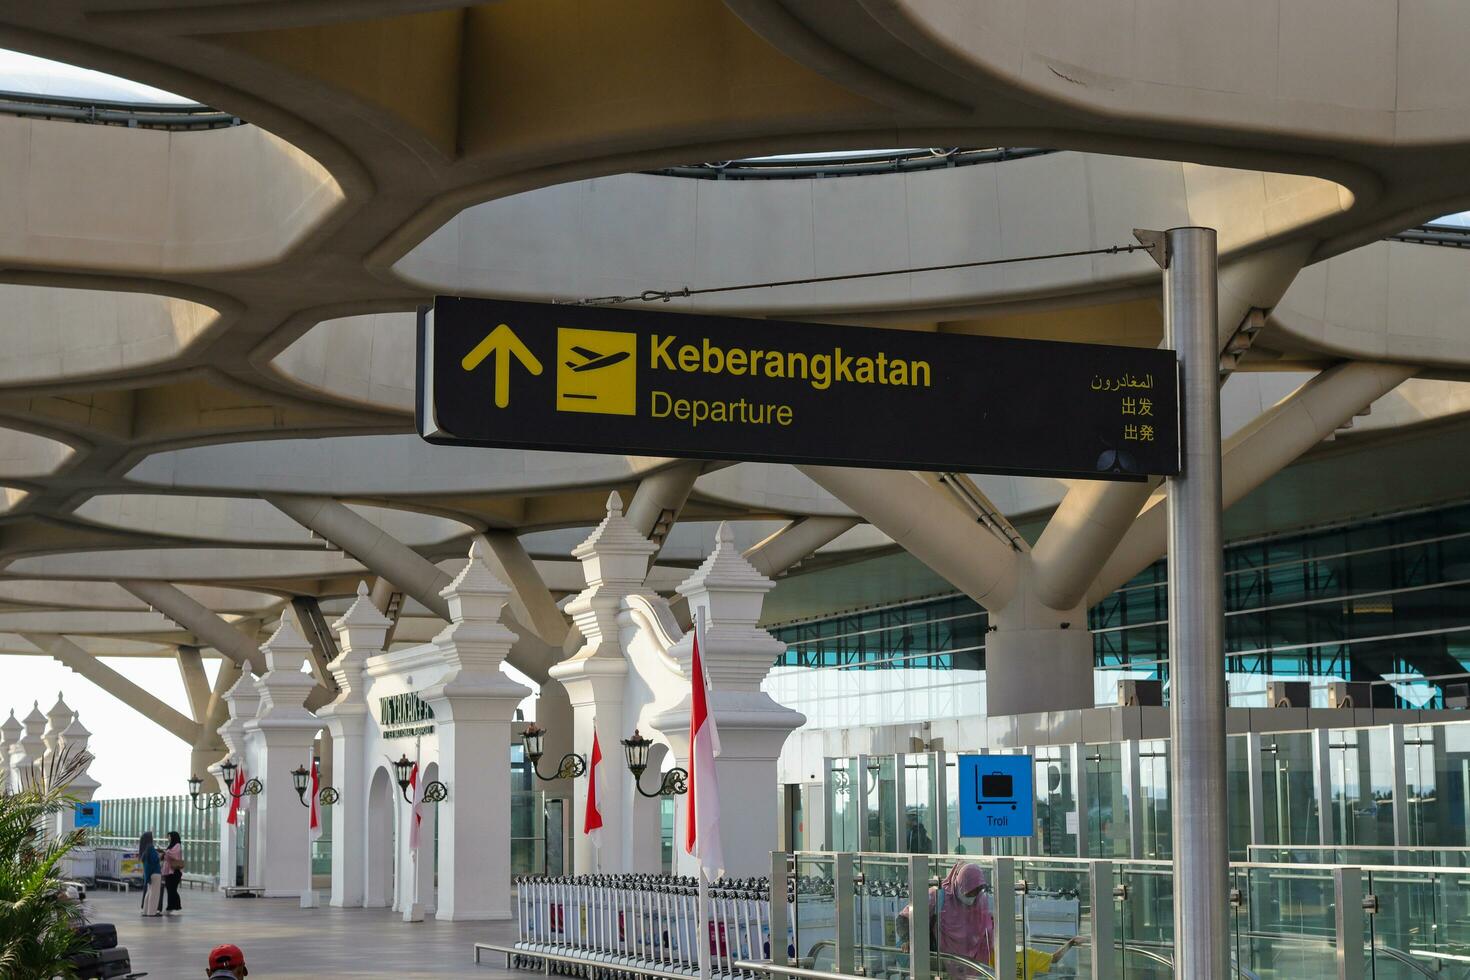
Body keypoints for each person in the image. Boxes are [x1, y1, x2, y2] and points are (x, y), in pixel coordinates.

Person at [897, 861, 994, 977]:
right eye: (969, 891)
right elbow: (903, 918)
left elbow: (987, 933)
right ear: (959, 884)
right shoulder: (937, 896)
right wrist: (908, 939)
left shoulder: (980, 902)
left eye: (976, 891)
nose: (972, 896)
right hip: (939, 965)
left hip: (972, 968)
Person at [160, 830, 185, 914]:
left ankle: (171, 907)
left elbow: (174, 855)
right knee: (170, 889)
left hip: (175, 871)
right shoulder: (171, 845)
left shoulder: (177, 845)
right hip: (169, 871)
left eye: (169, 836)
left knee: (172, 889)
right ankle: (174, 906)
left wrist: (165, 852)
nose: (168, 838)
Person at [137, 831, 162, 917]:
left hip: (149, 874)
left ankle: (145, 911)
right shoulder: (151, 848)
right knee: (154, 894)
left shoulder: (144, 850)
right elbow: (155, 860)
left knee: (149, 892)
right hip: (155, 873)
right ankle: (152, 912)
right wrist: (159, 856)